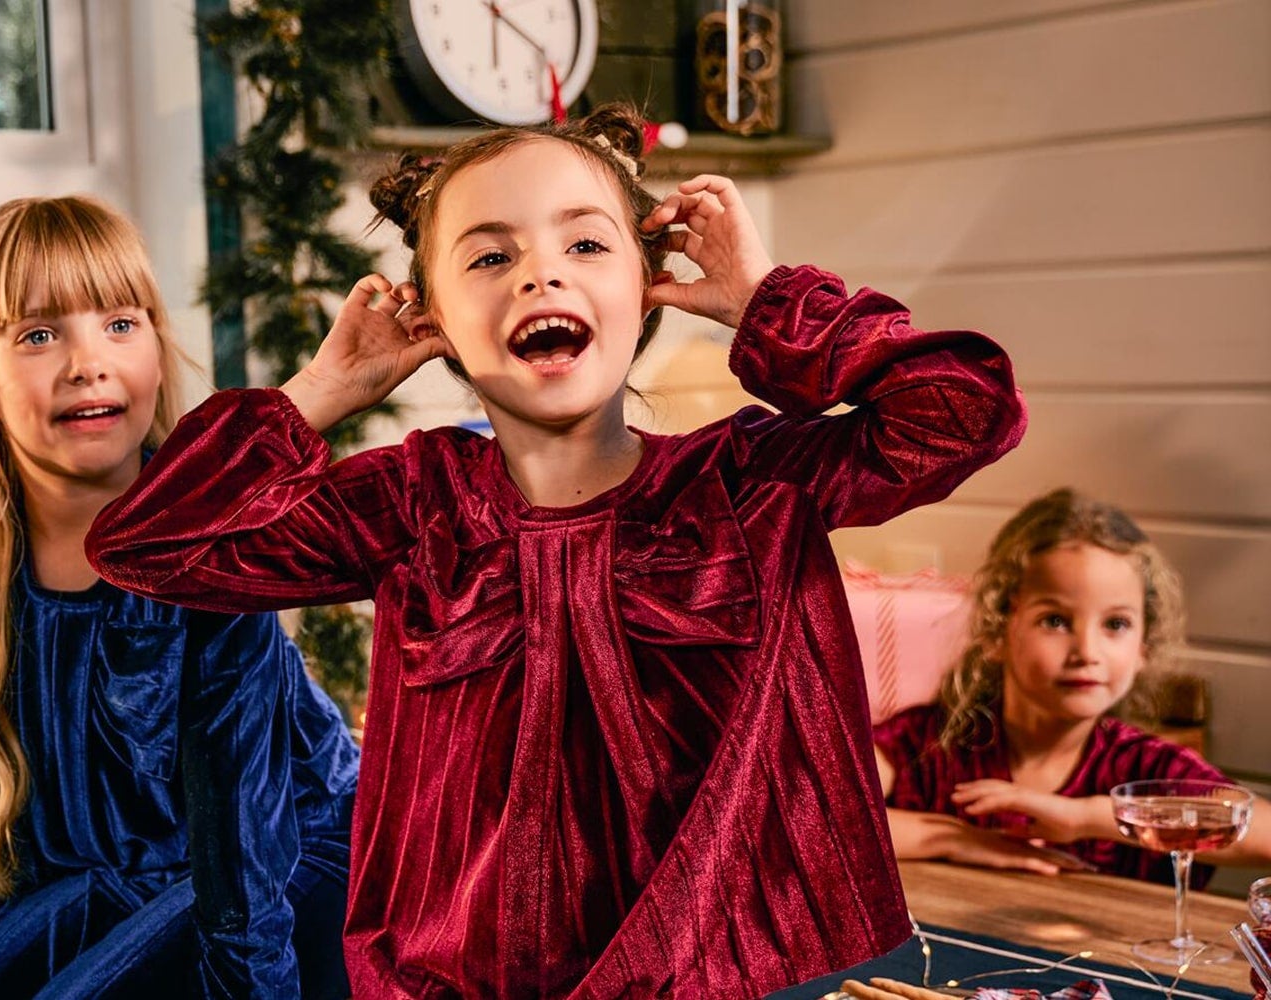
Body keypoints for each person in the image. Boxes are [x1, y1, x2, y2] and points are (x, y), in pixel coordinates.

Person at [86, 103, 1027, 996]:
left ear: (646, 286)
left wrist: (766, 301)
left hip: (713, 983)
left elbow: (967, 411)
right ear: (433, 322)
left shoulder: (749, 485)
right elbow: (151, 545)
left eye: (585, 245)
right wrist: (327, 388)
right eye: (490, 256)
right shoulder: (414, 504)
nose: (541, 275)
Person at [0, 195, 359, 999]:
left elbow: (243, 859)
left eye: (119, 323)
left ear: (156, 353)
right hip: (119, 890)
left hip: (283, 878)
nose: (87, 363)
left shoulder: (212, 546)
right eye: (39, 335)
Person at [875, 487, 1271, 886]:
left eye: (1116, 624)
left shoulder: (1144, 768)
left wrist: (1089, 818)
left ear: (1143, 649)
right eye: (1055, 621)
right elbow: (831, 816)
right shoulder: (925, 743)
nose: (1087, 652)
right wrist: (952, 838)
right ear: (997, 631)